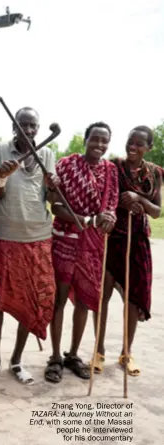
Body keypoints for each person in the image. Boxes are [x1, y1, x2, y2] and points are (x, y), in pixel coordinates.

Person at [0, 107, 58, 386]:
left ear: (38, 128)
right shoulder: (0, 150)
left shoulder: (48, 153)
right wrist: (1, 176)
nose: (28, 130)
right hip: (5, 235)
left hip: (37, 237)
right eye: (23, 125)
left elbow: (50, 196)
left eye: (33, 126)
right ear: (14, 127)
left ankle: (16, 360)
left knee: (33, 298)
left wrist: (53, 184)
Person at [45, 122, 118, 383]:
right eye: (95, 139)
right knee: (59, 300)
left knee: (85, 302)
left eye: (104, 141)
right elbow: (56, 206)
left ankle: (72, 355)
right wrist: (88, 219)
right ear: (85, 140)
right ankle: (54, 357)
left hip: (93, 247)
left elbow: (110, 209)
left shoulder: (111, 172)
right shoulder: (66, 165)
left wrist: (108, 218)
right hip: (64, 241)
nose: (99, 145)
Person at [93, 125, 161, 377]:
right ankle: (98, 351)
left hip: (138, 241)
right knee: (103, 297)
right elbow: (103, 197)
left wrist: (138, 199)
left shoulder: (155, 173)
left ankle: (126, 352)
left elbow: (156, 211)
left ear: (149, 147)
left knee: (133, 300)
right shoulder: (113, 167)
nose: (132, 147)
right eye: (130, 142)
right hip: (112, 239)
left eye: (139, 144)